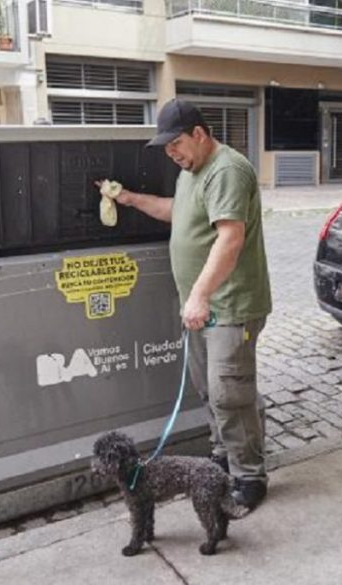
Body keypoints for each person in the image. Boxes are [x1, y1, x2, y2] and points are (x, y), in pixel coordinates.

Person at [104, 99, 272, 510]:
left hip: (231, 305)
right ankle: (222, 455)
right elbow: (178, 214)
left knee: (230, 392)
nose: (171, 153)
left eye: (176, 143)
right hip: (202, 308)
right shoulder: (191, 171)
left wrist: (198, 295)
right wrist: (129, 198)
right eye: (165, 147)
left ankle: (249, 476)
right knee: (207, 389)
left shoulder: (227, 170)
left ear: (200, 133)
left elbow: (230, 238)